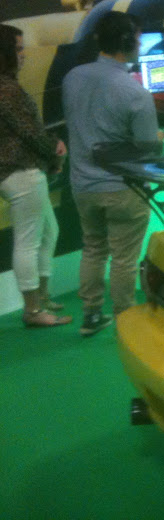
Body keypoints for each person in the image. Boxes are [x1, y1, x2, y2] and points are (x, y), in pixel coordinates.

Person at [62, 11, 164, 337]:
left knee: (93, 249)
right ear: (127, 41)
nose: (140, 45)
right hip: (124, 188)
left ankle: (91, 315)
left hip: (83, 186)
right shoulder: (135, 92)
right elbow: (147, 146)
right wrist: (160, 139)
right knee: (124, 258)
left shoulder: (72, 77)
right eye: (138, 39)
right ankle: (125, 320)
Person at [0, 25, 72, 327]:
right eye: (18, 49)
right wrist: (54, 149)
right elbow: (30, 132)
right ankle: (32, 311)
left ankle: (41, 297)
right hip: (21, 171)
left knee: (48, 231)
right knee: (28, 241)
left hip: (17, 171)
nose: (23, 55)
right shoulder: (7, 89)